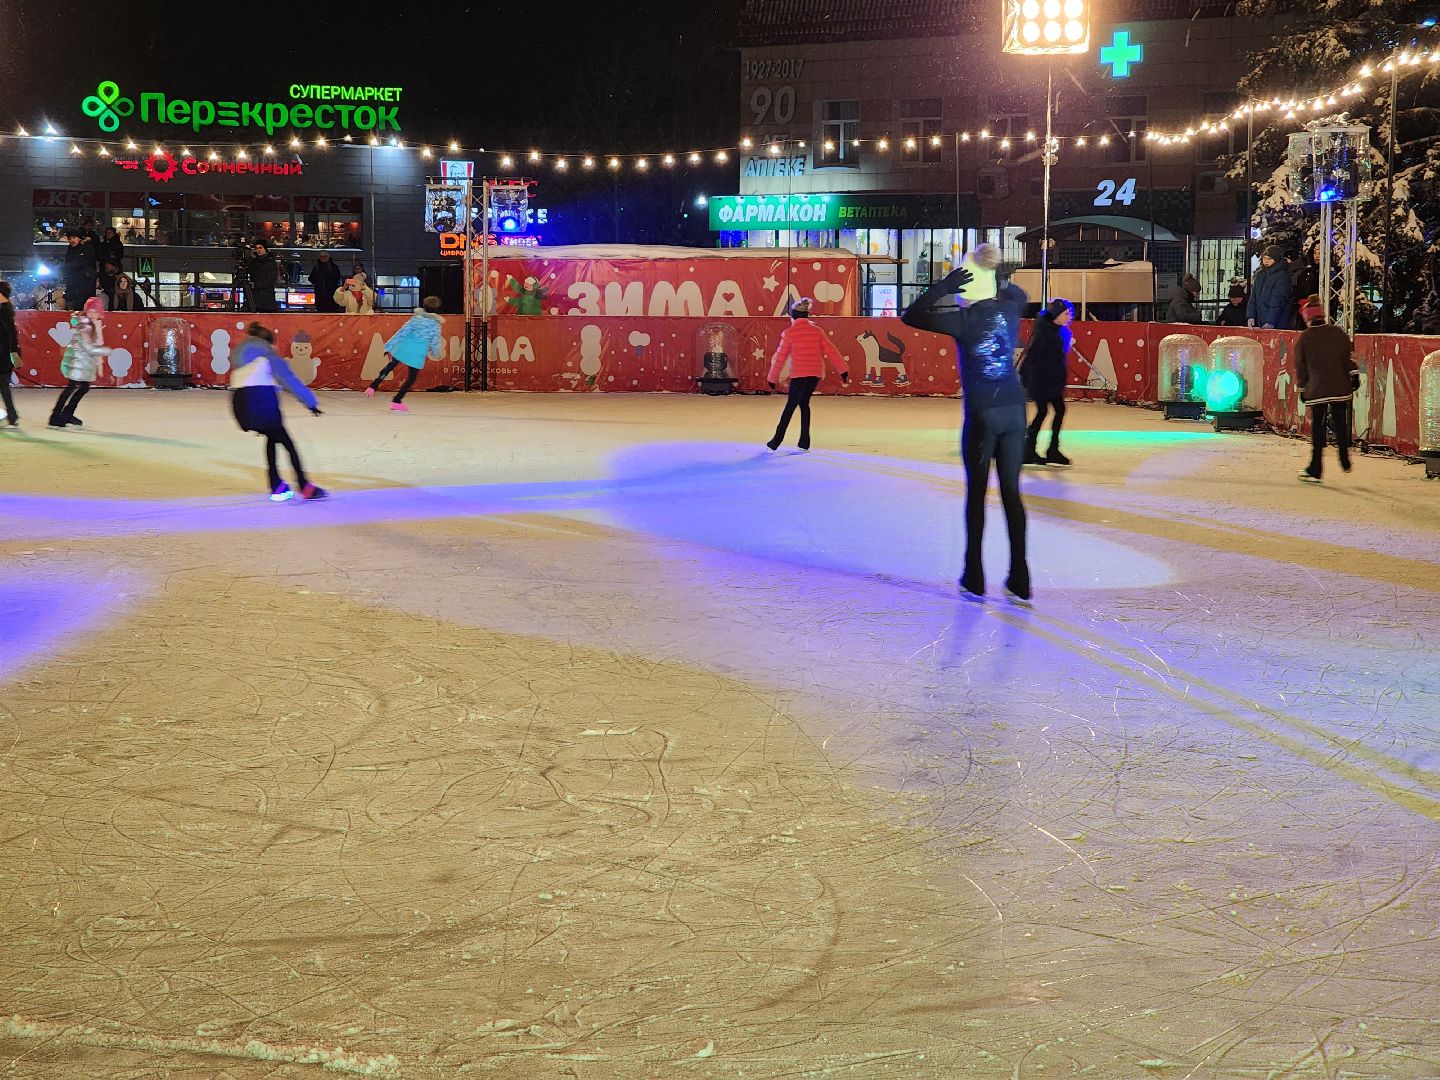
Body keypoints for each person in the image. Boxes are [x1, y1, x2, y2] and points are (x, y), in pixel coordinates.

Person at [902, 243, 1031, 601]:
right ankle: (1020, 575)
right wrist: (991, 275)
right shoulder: (1011, 307)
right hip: (1015, 411)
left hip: (982, 413)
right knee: (1011, 494)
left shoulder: (963, 320)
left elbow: (910, 315)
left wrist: (945, 287)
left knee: (977, 495)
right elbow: (1017, 291)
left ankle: (974, 573)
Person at [229, 322, 327, 501]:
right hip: (260, 403)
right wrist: (310, 402)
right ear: (267, 343)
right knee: (289, 445)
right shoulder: (267, 356)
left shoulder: (242, 359)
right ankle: (304, 486)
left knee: (272, 438)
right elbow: (288, 379)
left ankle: (277, 485)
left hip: (241, 407)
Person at [764, 296, 850, 450]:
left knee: (791, 406)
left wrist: (772, 377)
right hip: (814, 374)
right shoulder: (817, 331)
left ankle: (776, 440)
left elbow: (780, 357)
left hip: (799, 374)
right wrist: (842, 369)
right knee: (804, 404)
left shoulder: (789, 333)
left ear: (793, 316)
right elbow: (831, 350)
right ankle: (804, 441)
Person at [1293, 295, 1358, 483]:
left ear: (1308, 318)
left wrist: (1303, 388)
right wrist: (1353, 375)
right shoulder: (1338, 333)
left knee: (1318, 429)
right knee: (1340, 423)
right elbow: (1348, 358)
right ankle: (1344, 458)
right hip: (1340, 386)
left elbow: (1301, 366)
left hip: (1317, 389)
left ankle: (1316, 467)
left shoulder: (1304, 338)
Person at [367, 295, 445, 412]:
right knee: (411, 378)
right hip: (418, 353)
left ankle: (373, 386)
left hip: (405, 347)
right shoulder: (435, 325)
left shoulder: (416, 319)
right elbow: (435, 341)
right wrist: (436, 353)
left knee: (390, 366)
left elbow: (402, 332)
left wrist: (389, 346)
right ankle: (397, 400)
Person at [1020, 298, 1073, 467]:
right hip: (1041, 380)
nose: (1069, 317)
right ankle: (1032, 450)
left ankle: (1047, 450)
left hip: (1048, 380)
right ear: (1057, 315)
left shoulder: (1054, 330)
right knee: (1045, 411)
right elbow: (1036, 358)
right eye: (1066, 313)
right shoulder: (1046, 332)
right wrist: (1031, 379)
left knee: (1054, 410)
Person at [49, 298, 109, 428]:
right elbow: (91, 347)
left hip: (81, 362)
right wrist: (106, 352)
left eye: (95, 311)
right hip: (77, 362)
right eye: (90, 311)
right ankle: (60, 415)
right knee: (76, 387)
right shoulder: (85, 325)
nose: (92, 314)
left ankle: (63, 414)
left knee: (78, 387)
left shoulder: (90, 324)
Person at [1247, 244, 1292, 329]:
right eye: (1264, 258)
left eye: (1269, 259)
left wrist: (1271, 321)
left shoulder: (1282, 276)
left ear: (1276, 259)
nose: (1266, 261)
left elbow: (1278, 301)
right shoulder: (1260, 274)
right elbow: (1253, 297)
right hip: (1261, 321)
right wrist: (1251, 315)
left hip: (1278, 323)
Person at [0, 280, 20, 426]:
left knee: (4, 386)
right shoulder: (6, 309)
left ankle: (12, 415)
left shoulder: (4, 310)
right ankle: (12, 415)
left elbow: (10, 334)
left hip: (3, 354)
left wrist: (13, 352)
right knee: (4, 387)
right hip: (5, 354)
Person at [62, 230, 97, 310]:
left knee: (84, 306)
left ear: (79, 238)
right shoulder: (70, 248)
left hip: (85, 282)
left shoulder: (87, 247)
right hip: (73, 284)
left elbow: (83, 261)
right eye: (70, 238)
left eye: (74, 238)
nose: (71, 240)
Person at [247, 242, 280, 312]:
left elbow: (271, 280)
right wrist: (252, 258)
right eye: (256, 248)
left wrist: (256, 284)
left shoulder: (271, 262)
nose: (258, 250)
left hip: (267, 299)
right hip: (255, 298)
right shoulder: (254, 262)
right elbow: (250, 271)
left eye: (260, 248)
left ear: (265, 249)